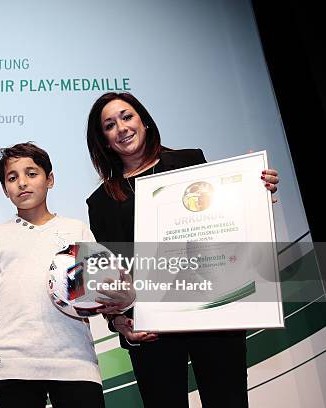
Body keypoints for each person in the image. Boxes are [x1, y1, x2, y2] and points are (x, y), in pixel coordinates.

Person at [85, 92, 279, 408]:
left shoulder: (190, 162)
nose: (121, 128)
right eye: (110, 125)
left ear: (143, 121)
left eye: (127, 116)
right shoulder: (102, 202)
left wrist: (256, 193)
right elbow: (112, 276)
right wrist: (119, 321)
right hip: (151, 327)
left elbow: (224, 220)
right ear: (104, 140)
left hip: (213, 312)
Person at [0, 142, 134, 408]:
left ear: (50, 179)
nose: (22, 182)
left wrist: (117, 314)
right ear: (5, 189)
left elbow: (104, 288)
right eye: (12, 178)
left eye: (31, 173)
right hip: (13, 366)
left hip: (75, 363)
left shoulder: (77, 230)